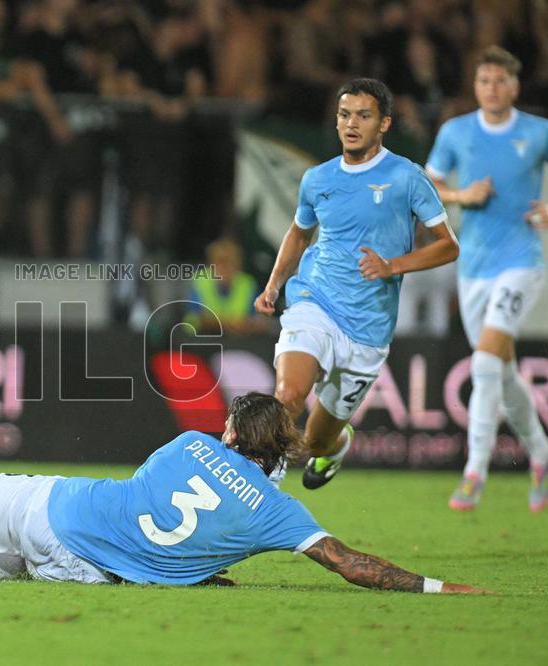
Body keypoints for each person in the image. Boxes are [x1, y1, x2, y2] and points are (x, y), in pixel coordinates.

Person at [0, 392, 481, 594]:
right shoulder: (279, 513)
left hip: (55, 507)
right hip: (93, 571)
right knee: (44, 563)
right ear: (277, 451)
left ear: (227, 432)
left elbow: (153, 489)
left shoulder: (193, 444)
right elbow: (352, 565)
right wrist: (436, 586)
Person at [254, 78, 459, 490]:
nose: (352, 123)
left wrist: (393, 266)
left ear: (383, 124)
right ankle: (262, 491)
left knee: (315, 440)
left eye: (363, 116)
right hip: (315, 300)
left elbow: (448, 247)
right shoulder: (317, 179)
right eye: (345, 115)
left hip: (367, 328)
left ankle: (335, 446)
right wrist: (274, 285)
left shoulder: (406, 177)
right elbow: (299, 233)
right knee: (288, 395)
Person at [425, 46, 548, 512]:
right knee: (501, 369)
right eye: (484, 81)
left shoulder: (536, 133)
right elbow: (428, 184)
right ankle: (541, 455)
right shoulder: (456, 132)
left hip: (522, 262)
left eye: (500, 80)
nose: (492, 88)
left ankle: (475, 470)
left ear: (514, 86)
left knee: (483, 363)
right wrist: (460, 194)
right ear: (475, 87)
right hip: (472, 265)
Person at [183, 237, 265, 335]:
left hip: (239, 342)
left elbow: (259, 321)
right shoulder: (200, 281)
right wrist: (225, 323)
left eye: (229, 264)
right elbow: (192, 319)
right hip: (206, 339)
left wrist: (248, 325)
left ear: (238, 266)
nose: (224, 269)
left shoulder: (247, 284)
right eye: (219, 263)